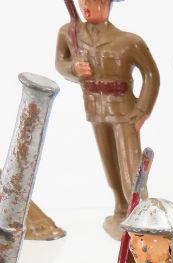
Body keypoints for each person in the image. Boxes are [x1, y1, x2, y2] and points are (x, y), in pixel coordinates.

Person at [55, 0, 160, 239]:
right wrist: (73, 68)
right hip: (95, 108)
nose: (87, 5)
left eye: (95, 1)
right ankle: (121, 208)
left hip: (124, 111)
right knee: (109, 163)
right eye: (84, 0)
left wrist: (142, 110)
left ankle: (140, 215)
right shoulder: (69, 33)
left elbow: (151, 74)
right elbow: (61, 62)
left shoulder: (129, 41)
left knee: (131, 168)